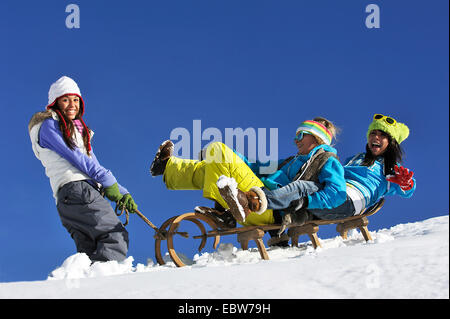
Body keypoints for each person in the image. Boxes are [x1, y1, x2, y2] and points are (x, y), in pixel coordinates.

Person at [150, 117, 347, 227]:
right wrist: (230, 156)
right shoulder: (291, 161)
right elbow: (255, 167)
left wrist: (304, 202)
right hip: (250, 198)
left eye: (300, 135)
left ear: (316, 138)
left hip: (267, 206)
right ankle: (168, 167)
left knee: (217, 150)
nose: (295, 140)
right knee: (212, 164)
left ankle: (223, 211)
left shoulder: (327, 160)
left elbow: (337, 193)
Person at [28, 76, 138, 262]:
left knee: (89, 251)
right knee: (114, 236)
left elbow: (93, 164)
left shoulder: (76, 132)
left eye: (76, 99)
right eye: (65, 99)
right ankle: (106, 281)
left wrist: (121, 192)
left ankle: (88, 287)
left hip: (68, 198)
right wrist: (109, 182)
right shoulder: (49, 126)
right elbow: (79, 159)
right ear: (55, 103)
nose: (72, 104)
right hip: (78, 190)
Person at [260, 114, 416, 236]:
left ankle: (256, 202)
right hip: (331, 193)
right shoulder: (355, 158)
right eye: (373, 133)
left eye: (382, 135)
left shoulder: (390, 169)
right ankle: (280, 209)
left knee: (301, 190)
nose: (375, 137)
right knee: (300, 186)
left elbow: (408, 190)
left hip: (349, 202)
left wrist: (407, 184)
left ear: (391, 142)